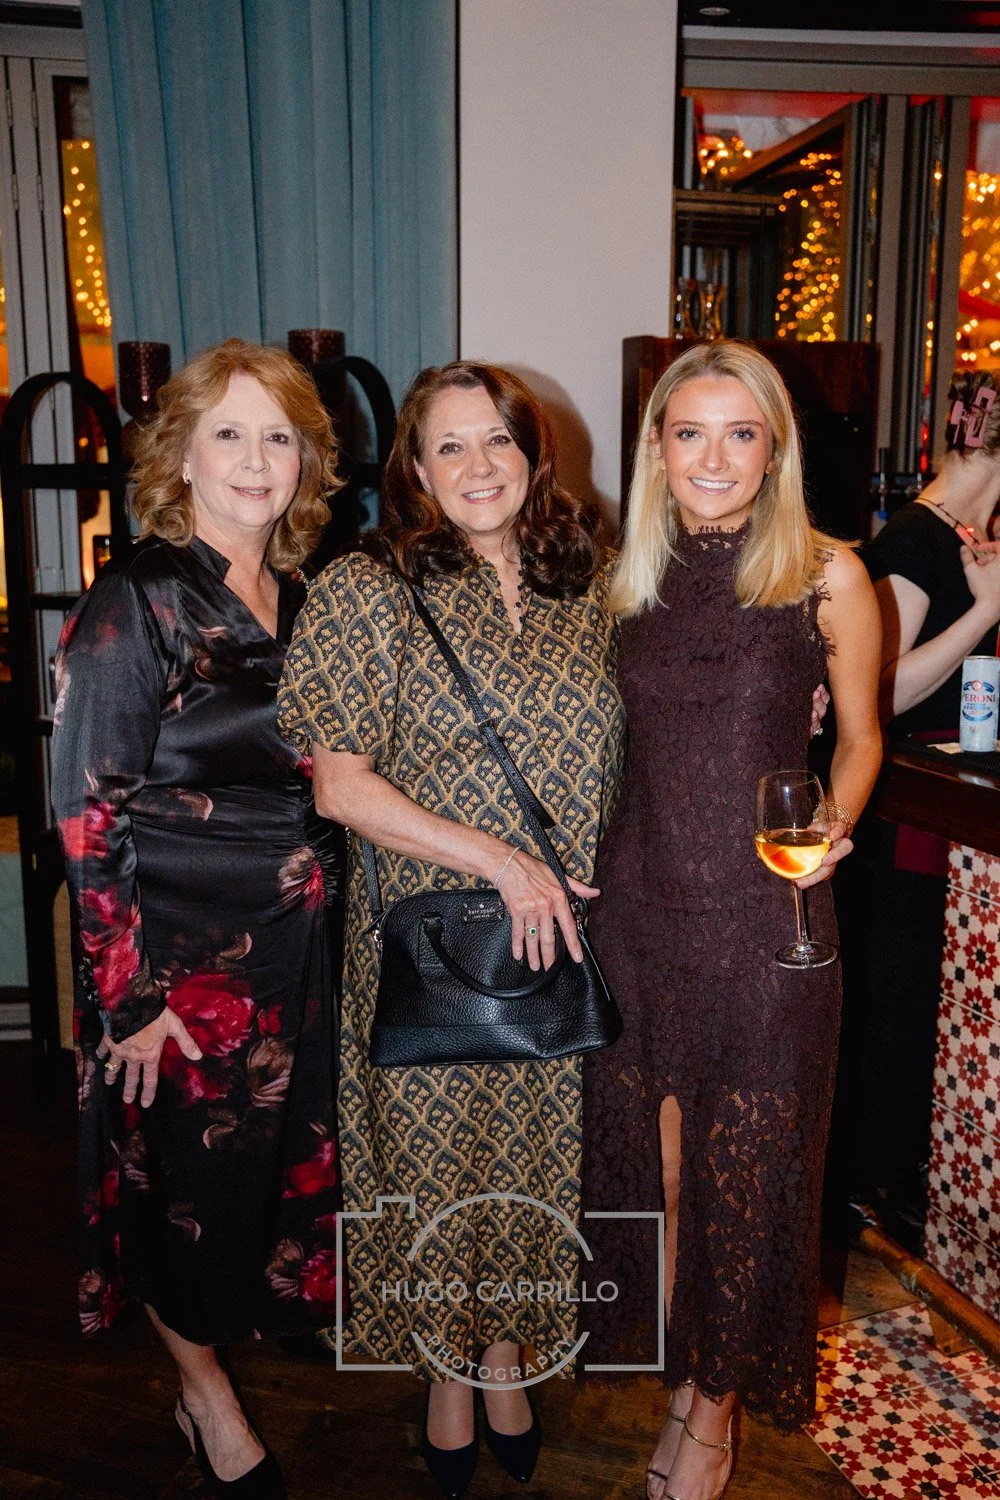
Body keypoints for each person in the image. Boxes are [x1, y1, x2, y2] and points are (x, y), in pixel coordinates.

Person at [278, 360, 626, 1498]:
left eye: (498, 441)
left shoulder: (594, 583)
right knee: (431, 1165)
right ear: (416, 471)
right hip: (426, 938)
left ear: (534, 452)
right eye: (450, 447)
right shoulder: (367, 588)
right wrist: (502, 861)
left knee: (536, 1157)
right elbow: (339, 787)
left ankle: (507, 1357)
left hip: (559, 942)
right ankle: (444, 1371)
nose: (480, 466)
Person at [581, 340, 882, 1500]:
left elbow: (857, 738)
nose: (714, 457)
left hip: (769, 922)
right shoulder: (620, 580)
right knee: (650, 1180)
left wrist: (829, 833)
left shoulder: (823, 575)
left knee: (746, 1175)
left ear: (773, 451)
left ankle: (711, 1416)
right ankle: (677, 1377)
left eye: (740, 433)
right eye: (689, 432)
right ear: (656, 446)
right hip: (638, 915)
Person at [51, 338, 343, 1499]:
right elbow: (83, 813)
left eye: (279, 434)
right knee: (180, 1196)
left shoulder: (310, 594)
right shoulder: (138, 597)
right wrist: (125, 1000)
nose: (256, 458)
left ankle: (236, 1337)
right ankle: (203, 1395)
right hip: (176, 971)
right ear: (183, 453)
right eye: (229, 431)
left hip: (299, 954)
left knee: (259, 1184)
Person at [849, 368, 1000, 1242]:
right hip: (903, 816)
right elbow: (877, 689)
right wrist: (983, 615)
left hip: (941, 809)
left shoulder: (969, 535)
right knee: (903, 1005)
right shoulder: (913, 537)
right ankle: (881, 1183)